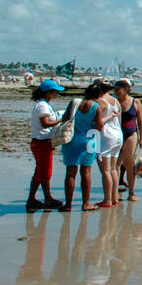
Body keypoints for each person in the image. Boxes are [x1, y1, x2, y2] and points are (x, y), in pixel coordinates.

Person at [62, 82, 110, 212]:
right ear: (98, 95)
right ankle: (86, 203)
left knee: (70, 173)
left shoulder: (74, 102)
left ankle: (68, 204)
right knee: (86, 173)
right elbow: (99, 126)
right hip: (89, 140)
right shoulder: (96, 106)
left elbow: (65, 118)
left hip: (72, 140)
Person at [27, 79, 67, 212]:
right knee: (42, 172)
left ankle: (46, 197)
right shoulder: (42, 106)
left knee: (43, 172)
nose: (57, 94)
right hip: (41, 142)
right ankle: (33, 199)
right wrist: (61, 120)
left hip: (43, 142)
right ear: (48, 92)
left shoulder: (43, 104)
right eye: (55, 92)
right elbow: (45, 123)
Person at [114, 79, 142, 202]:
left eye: (118, 89)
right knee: (115, 164)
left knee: (129, 163)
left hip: (131, 134)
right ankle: (114, 192)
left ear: (126, 89)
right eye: (115, 89)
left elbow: (140, 122)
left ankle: (131, 192)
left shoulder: (135, 102)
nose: (116, 91)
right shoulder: (114, 102)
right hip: (116, 134)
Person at [97, 80, 123, 207]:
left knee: (106, 170)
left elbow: (97, 121)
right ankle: (114, 197)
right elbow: (120, 119)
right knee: (113, 169)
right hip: (118, 134)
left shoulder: (100, 101)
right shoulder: (116, 101)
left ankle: (107, 199)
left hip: (106, 135)